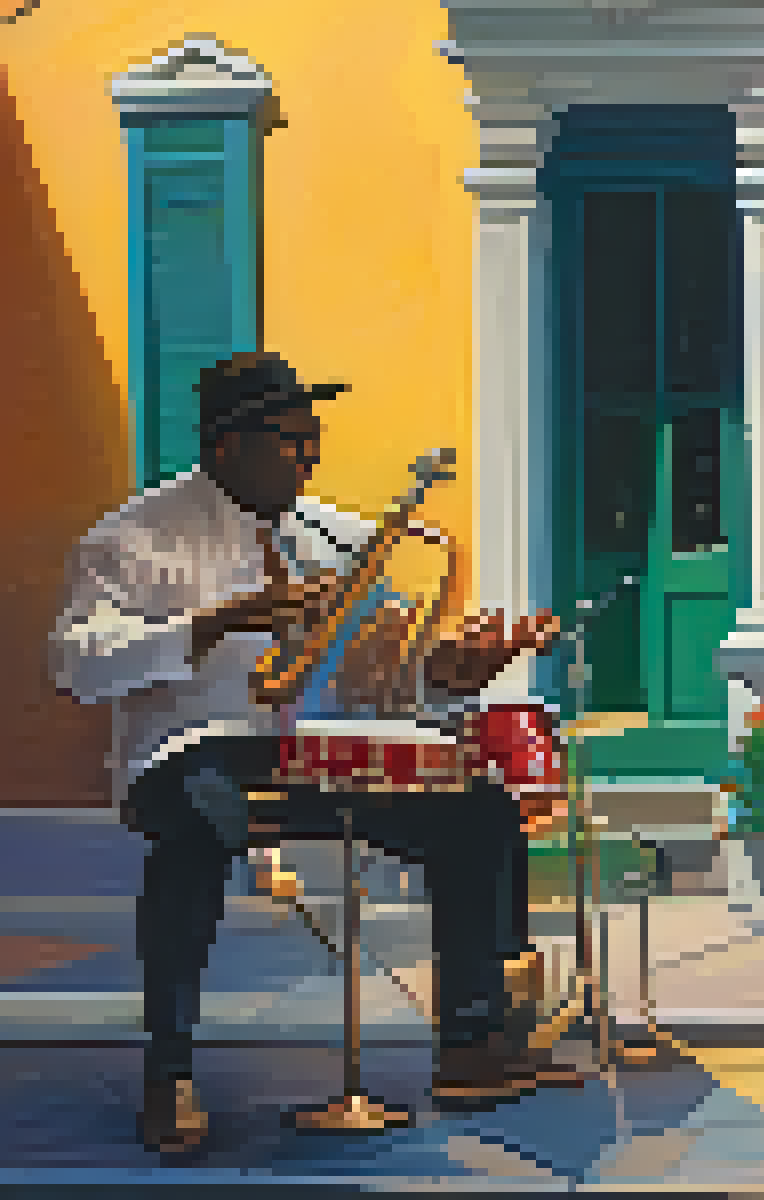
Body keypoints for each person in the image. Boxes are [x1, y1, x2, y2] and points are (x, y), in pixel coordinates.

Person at [50, 352, 586, 1154]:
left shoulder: (338, 535)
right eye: (291, 443)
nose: (310, 460)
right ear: (228, 446)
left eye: (314, 442)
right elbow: (75, 661)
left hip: (319, 759)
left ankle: (473, 1044)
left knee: (475, 808)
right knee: (196, 830)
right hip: (188, 755)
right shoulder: (133, 537)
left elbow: (383, 678)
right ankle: (170, 1075)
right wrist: (219, 623)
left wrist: (452, 671)